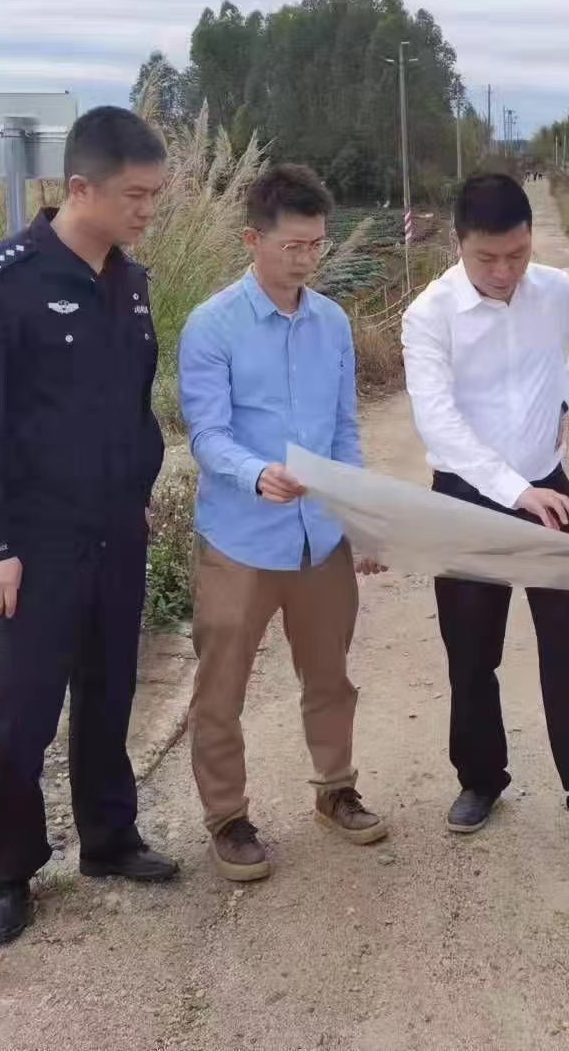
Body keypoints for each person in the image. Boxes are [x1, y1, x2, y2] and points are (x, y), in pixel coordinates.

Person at [0, 106, 177, 947]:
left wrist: (136, 489)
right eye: (135, 194)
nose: (147, 209)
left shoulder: (129, 282)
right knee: (24, 711)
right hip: (35, 543)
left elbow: (132, 404)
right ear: (80, 187)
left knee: (110, 693)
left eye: (155, 194)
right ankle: (8, 871)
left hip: (116, 527)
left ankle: (109, 836)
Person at [400, 172, 569, 857]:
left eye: (517, 253)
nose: (505, 271)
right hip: (464, 498)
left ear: (530, 237)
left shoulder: (554, 290)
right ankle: (480, 780)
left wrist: (562, 396)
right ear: (458, 243)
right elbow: (438, 423)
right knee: (471, 651)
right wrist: (512, 490)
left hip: (548, 492)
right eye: (488, 257)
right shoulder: (430, 314)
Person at [176, 163, 387, 882]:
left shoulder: (331, 323)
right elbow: (206, 433)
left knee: (330, 675)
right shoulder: (212, 324)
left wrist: (358, 516)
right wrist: (255, 473)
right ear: (252, 239)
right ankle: (227, 817)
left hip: (319, 537)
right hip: (239, 538)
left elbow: (343, 430)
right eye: (293, 245)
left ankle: (336, 790)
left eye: (316, 245)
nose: (306, 259)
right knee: (221, 689)